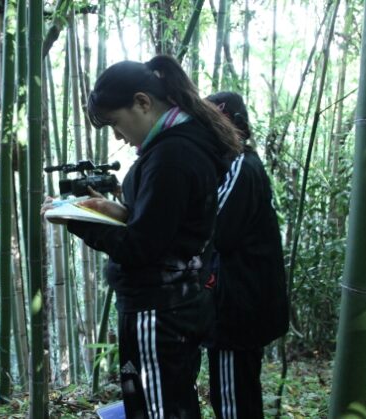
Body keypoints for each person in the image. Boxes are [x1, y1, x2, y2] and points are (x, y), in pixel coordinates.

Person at [43, 55, 241, 418]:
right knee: (165, 404)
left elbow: (141, 248)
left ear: (143, 103)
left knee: (157, 410)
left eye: (116, 123)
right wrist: (115, 210)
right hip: (170, 307)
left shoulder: (173, 155)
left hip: (159, 310)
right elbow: (165, 225)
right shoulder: (179, 144)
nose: (117, 135)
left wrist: (76, 219)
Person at [204, 92, 290, 419]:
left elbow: (216, 230)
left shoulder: (241, 164)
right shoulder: (241, 165)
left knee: (232, 404)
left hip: (237, 311)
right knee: (241, 398)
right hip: (245, 304)